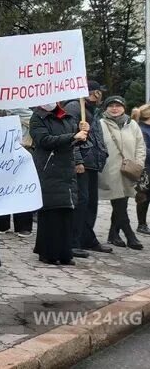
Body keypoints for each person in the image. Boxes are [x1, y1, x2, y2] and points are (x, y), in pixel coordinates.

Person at [30, 102, 87, 266]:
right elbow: (44, 140)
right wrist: (72, 136)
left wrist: (83, 133)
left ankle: (64, 252)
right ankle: (48, 252)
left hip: (66, 169)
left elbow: (74, 142)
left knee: (65, 212)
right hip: (48, 167)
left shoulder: (66, 117)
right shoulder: (38, 117)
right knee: (51, 211)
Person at [63, 82, 111, 255]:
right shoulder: (75, 107)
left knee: (90, 203)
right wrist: (77, 160)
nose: (100, 96)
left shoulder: (92, 110)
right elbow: (71, 135)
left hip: (92, 162)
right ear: (94, 93)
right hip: (82, 162)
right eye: (98, 92)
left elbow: (95, 135)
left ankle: (87, 238)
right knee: (81, 202)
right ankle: (73, 241)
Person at [98, 96, 145, 250]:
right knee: (119, 202)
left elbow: (140, 146)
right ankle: (130, 235)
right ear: (105, 108)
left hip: (129, 170)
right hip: (110, 169)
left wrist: (139, 163)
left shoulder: (132, 125)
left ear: (124, 107)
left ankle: (113, 234)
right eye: (111, 105)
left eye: (118, 105)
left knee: (122, 202)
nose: (114, 108)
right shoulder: (101, 124)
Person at [0, 108, 38, 237]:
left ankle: (24, 225)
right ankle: (2, 224)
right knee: (3, 190)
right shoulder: (0, 114)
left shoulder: (32, 116)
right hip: (3, 154)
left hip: (23, 151)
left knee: (23, 189)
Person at [133, 104, 150, 235]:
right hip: (145, 168)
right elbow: (143, 150)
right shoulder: (142, 129)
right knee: (144, 196)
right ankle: (142, 224)